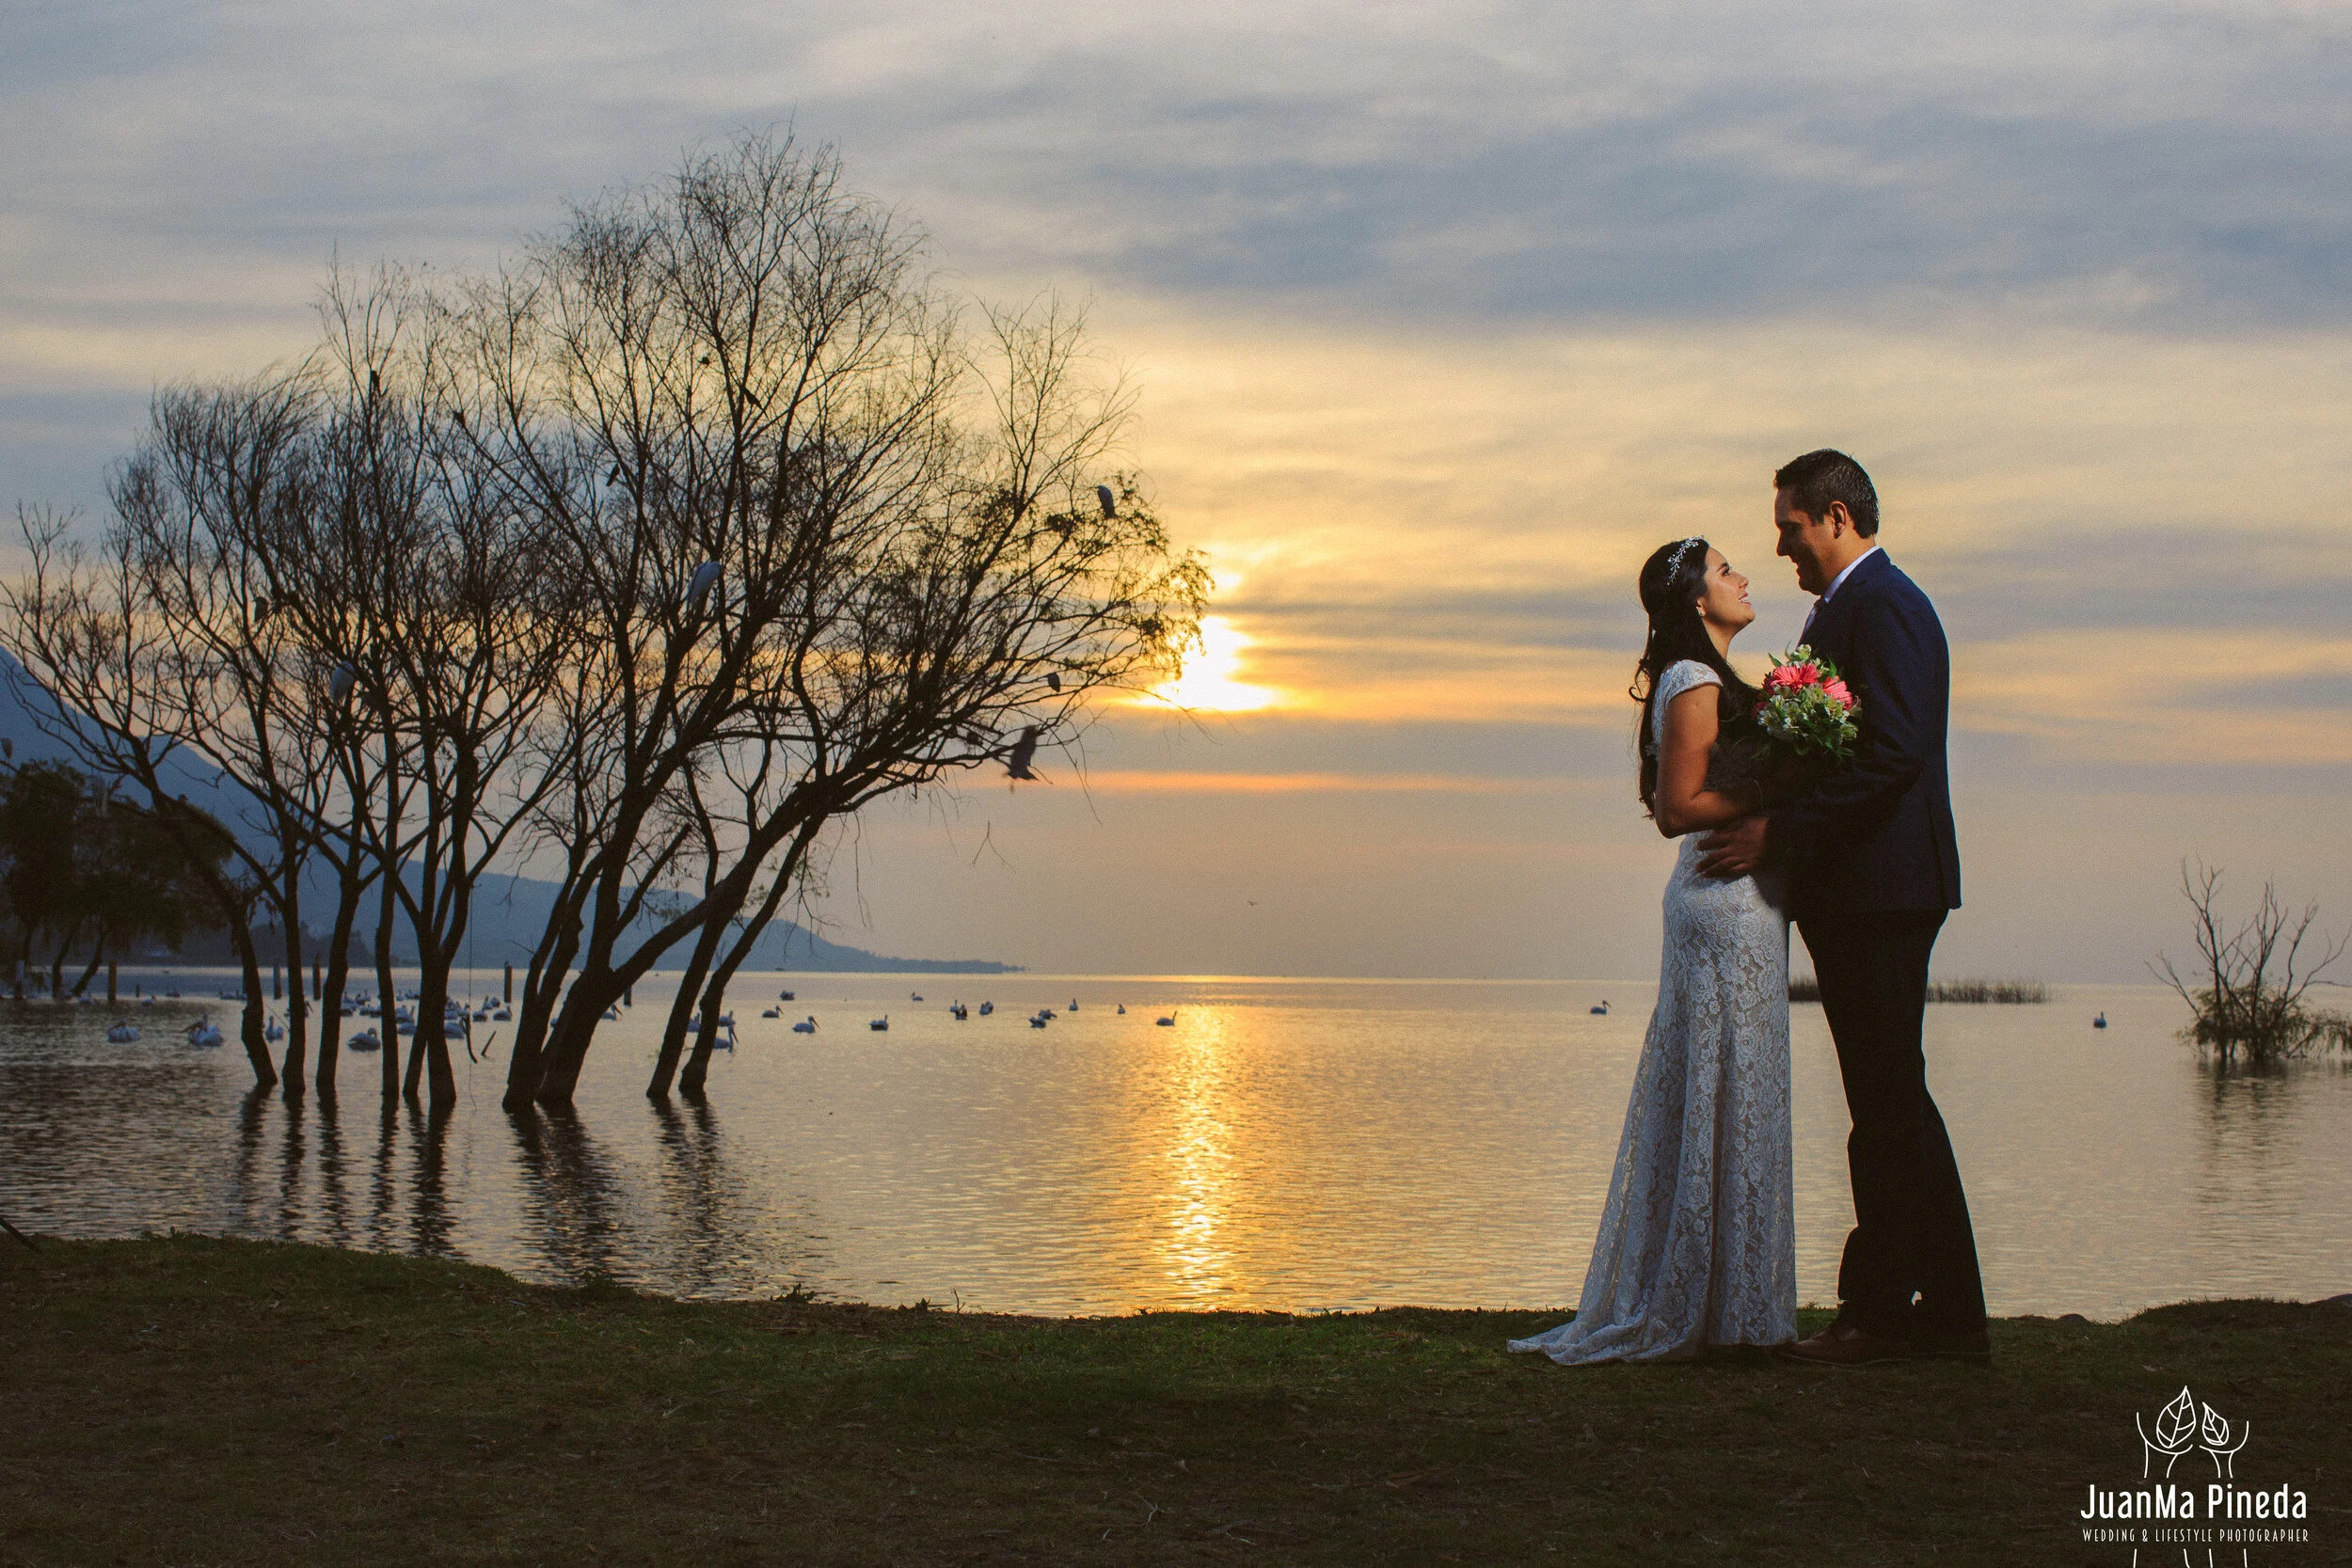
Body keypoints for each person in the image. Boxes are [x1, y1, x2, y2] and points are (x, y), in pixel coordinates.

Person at [1696, 449, 1988, 1366]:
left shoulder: (1886, 605)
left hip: (1883, 889)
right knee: (1893, 1101)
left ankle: (1882, 1311)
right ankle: (1941, 1313)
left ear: (1831, 515)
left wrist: (1778, 830)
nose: (1780, 546)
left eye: (1787, 526)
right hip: (1863, 889)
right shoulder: (1844, 610)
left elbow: (1894, 750)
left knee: (1887, 1104)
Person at [1508, 535, 1796, 1364]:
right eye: (1726, 570)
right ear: (1698, 600)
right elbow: (1677, 806)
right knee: (1722, 1080)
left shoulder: (1711, 680)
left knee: (1735, 1081)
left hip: (1737, 898)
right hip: (1719, 898)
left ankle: (1731, 1299)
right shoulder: (1695, 679)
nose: (1743, 579)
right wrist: (1777, 791)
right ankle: (1710, 1302)